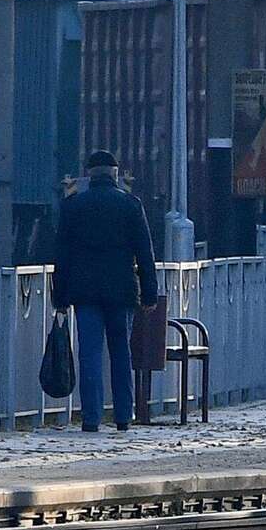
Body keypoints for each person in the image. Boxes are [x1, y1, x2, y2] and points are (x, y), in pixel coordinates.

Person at [53, 150, 161, 431]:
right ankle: (124, 416)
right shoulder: (130, 205)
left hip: (85, 291)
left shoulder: (74, 206)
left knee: (90, 353)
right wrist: (149, 293)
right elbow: (145, 252)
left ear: (89, 174)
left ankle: (91, 418)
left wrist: (60, 297)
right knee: (121, 352)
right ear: (115, 174)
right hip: (122, 290)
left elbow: (62, 255)